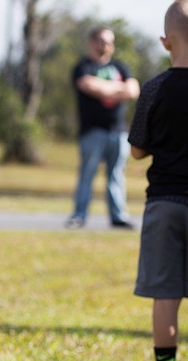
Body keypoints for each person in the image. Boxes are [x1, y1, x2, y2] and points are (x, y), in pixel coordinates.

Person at [128, 0, 188, 361]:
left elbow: (138, 150)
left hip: (165, 204)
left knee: (166, 295)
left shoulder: (154, 89)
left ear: (165, 41)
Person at [65, 26, 141, 230]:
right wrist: (118, 88)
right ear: (92, 42)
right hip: (92, 131)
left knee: (116, 175)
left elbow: (133, 90)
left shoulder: (121, 66)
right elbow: (87, 85)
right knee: (87, 174)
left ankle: (118, 217)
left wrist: (104, 89)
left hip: (118, 131)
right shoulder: (83, 66)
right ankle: (79, 216)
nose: (105, 45)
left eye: (109, 41)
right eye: (100, 40)